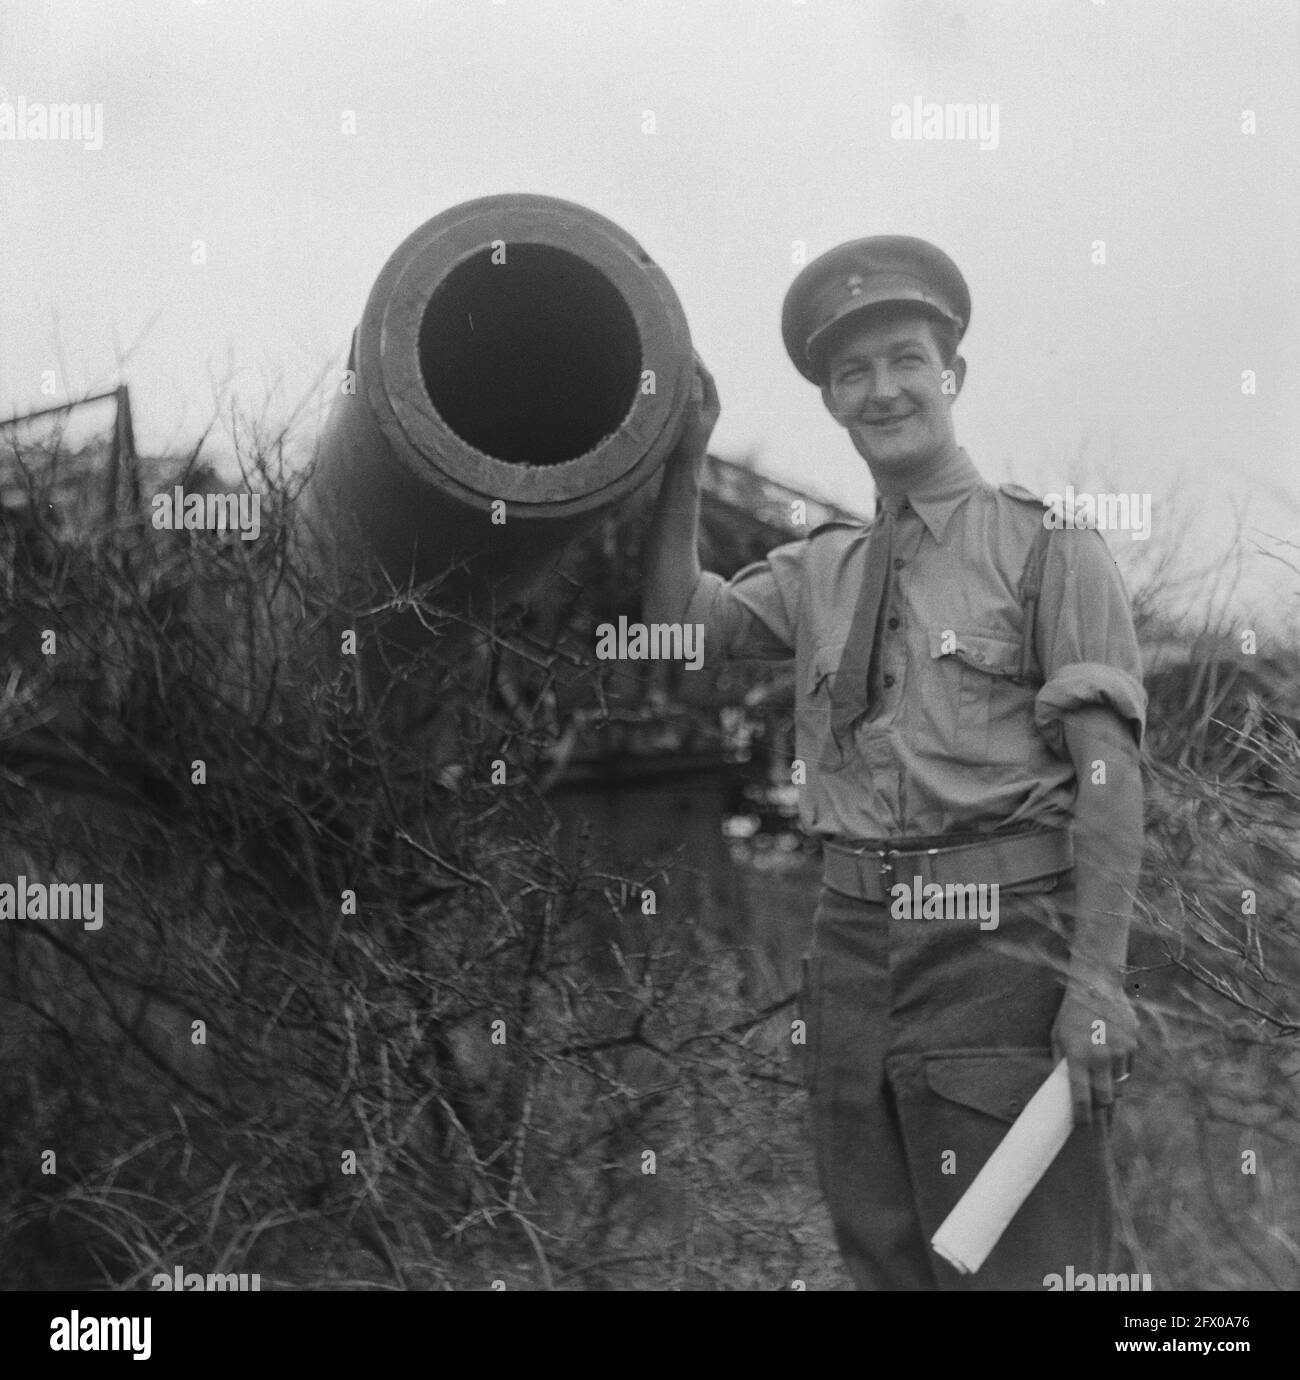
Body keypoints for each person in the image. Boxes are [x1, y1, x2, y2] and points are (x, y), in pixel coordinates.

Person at [643, 236, 1147, 1290]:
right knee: (884, 1258)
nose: (883, 391)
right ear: (830, 400)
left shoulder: (1050, 548)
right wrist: (682, 457)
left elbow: (1109, 776)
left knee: (1027, 1266)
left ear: (951, 374)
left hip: (1002, 948)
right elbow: (677, 631)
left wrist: (1096, 980)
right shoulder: (823, 567)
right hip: (852, 946)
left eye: (906, 359)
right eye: (852, 372)